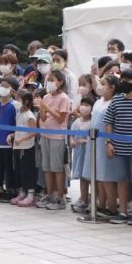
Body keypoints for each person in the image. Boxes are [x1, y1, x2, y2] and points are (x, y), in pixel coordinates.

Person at [104, 68, 132, 225]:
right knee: (121, 180)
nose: (124, 83)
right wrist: (108, 142)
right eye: (123, 79)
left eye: (128, 80)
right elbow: (109, 122)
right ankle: (122, 211)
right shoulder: (117, 100)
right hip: (118, 148)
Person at [34, 69, 70, 210]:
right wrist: (41, 108)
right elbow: (43, 118)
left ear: (60, 82)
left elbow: (61, 118)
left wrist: (46, 107)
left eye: (52, 80)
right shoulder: (46, 97)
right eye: (48, 80)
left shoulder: (64, 98)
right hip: (45, 135)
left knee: (57, 168)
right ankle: (49, 194)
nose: (49, 83)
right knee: (47, 167)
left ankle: (60, 198)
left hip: (58, 136)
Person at [0, 76, 18, 202]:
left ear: (12, 90)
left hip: (8, 144)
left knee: (9, 167)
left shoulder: (14, 106)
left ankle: (11, 189)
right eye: (2, 85)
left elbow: (17, 125)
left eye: (6, 86)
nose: (3, 88)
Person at [70, 96, 94, 212]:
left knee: (90, 176)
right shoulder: (77, 121)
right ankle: (83, 198)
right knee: (82, 177)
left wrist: (84, 141)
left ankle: (93, 199)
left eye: (87, 104)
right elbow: (71, 134)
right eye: (82, 104)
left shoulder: (93, 121)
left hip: (89, 152)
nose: (84, 107)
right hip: (79, 153)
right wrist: (72, 141)